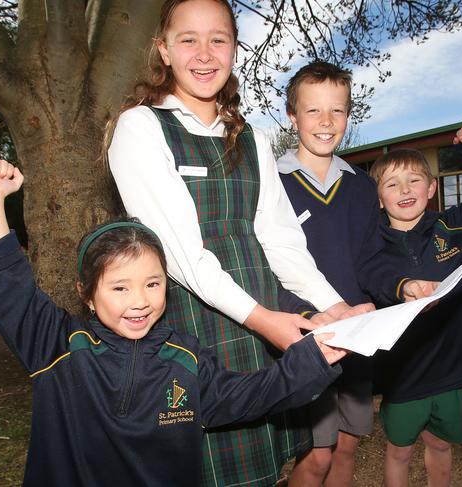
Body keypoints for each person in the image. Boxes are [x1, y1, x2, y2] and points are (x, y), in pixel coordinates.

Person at [105, 1, 370, 485]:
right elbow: (182, 256)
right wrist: (268, 322)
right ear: (163, 50)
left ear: (234, 48)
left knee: (266, 470)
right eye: (188, 39)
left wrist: (334, 308)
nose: (204, 54)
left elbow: (281, 241)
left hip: (259, 330)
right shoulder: (141, 127)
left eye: (219, 39)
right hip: (191, 332)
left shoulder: (252, 139)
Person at [0, 156, 350, 487]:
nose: (140, 302)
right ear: (87, 293)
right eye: (119, 288)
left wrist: (313, 358)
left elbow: (250, 395)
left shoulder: (184, 358)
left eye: (153, 283)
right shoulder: (56, 345)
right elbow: (7, 286)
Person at [276, 60, 437, 487]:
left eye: (338, 110)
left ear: (349, 114)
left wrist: (403, 286)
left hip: (358, 337)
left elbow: (371, 261)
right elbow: (270, 266)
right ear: (292, 116)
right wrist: (305, 316)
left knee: (347, 446)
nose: (326, 122)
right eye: (313, 110)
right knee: (317, 456)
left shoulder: (363, 187)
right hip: (306, 337)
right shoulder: (273, 181)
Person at [370, 124, 462, 487]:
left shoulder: (460, 227)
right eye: (392, 183)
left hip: (453, 370)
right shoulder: (370, 246)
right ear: (379, 196)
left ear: (431, 188)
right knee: (399, 450)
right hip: (404, 373)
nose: (404, 190)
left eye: (414, 180)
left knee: (441, 445)